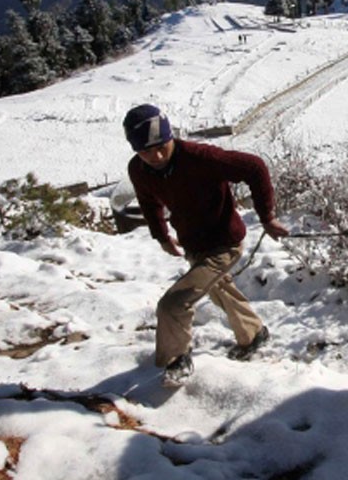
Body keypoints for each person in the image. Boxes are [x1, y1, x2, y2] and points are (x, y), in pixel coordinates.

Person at [123, 104, 289, 387]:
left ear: (171, 136)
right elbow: (149, 203)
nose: (157, 156)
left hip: (224, 242)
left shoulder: (200, 157)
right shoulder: (139, 170)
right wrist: (161, 235)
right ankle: (254, 333)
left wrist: (267, 217)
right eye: (146, 151)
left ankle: (177, 360)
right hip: (193, 244)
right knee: (219, 289)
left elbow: (255, 167)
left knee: (173, 304)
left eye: (162, 146)